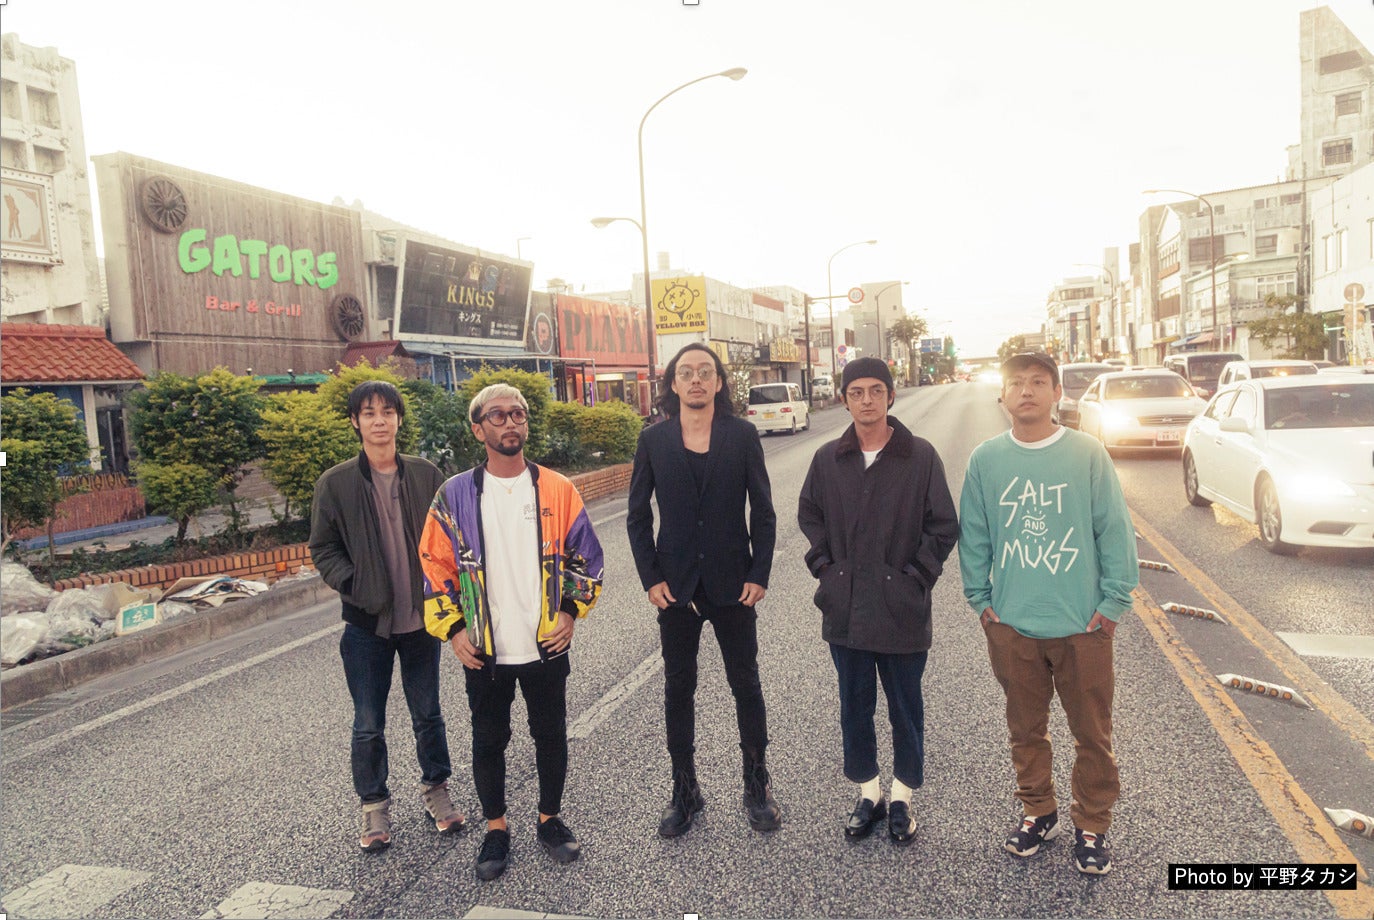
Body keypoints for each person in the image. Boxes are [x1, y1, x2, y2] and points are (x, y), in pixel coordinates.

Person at [958, 352, 1138, 875]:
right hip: (1013, 625)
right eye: (1017, 383)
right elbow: (975, 534)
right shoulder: (986, 460)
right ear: (1003, 395)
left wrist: (1113, 603)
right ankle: (1039, 811)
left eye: (1039, 382)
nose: (1027, 391)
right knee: (1025, 729)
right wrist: (981, 601)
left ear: (1057, 393)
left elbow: (1114, 529)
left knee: (1092, 733)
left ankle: (1093, 824)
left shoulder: (1087, 453)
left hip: (1083, 625)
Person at [420, 384, 604, 881]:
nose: (510, 423)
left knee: (551, 734)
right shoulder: (454, 495)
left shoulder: (558, 489)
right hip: (484, 648)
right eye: (497, 416)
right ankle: (496, 829)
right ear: (478, 429)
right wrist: (454, 629)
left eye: (517, 414)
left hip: (546, 642)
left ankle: (549, 819)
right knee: (488, 740)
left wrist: (570, 611)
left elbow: (586, 556)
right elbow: (435, 565)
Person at [797, 356, 959, 844]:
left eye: (875, 391)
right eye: (856, 392)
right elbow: (809, 516)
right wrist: (827, 570)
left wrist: (915, 578)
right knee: (855, 706)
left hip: (901, 610)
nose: (866, 400)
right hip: (845, 609)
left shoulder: (920, 456)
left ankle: (903, 797)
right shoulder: (828, 459)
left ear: (890, 396)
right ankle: (868, 793)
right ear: (844, 400)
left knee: (905, 708)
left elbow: (943, 526)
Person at [627, 342, 782, 838]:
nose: (696, 379)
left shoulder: (742, 435)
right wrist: (651, 578)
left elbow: (763, 511)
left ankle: (756, 784)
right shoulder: (653, 440)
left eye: (706, 372)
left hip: (733, 583)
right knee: (678, 688)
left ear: (718, 382)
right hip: (675, 588)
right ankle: (685, 790)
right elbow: (636, 517)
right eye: (687, 372)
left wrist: (759, 573)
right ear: (673, 383)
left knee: (746, 683)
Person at [309, 380, 465, 852]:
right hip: (366, 625)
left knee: (428, 714)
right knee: (367, 722)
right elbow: (323, 548)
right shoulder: (335, 483)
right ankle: (374, 806)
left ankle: (436, 790)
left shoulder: (425, 475)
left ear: (398, 418)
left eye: (387, 412)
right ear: (355, 422)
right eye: (369, 413)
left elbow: (450, 537)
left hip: (421, 622)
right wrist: (354, 584)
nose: (379, 421)